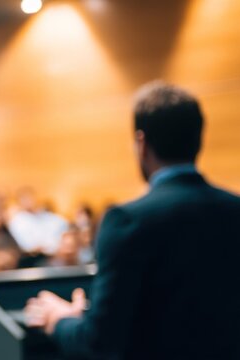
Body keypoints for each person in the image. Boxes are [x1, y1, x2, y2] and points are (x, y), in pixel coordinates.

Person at [24, 82, 240, 359]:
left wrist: (59, 319)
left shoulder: (127, 221)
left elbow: (99, 342)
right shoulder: (235, 210)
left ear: (141, 143)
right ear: (199, 140)